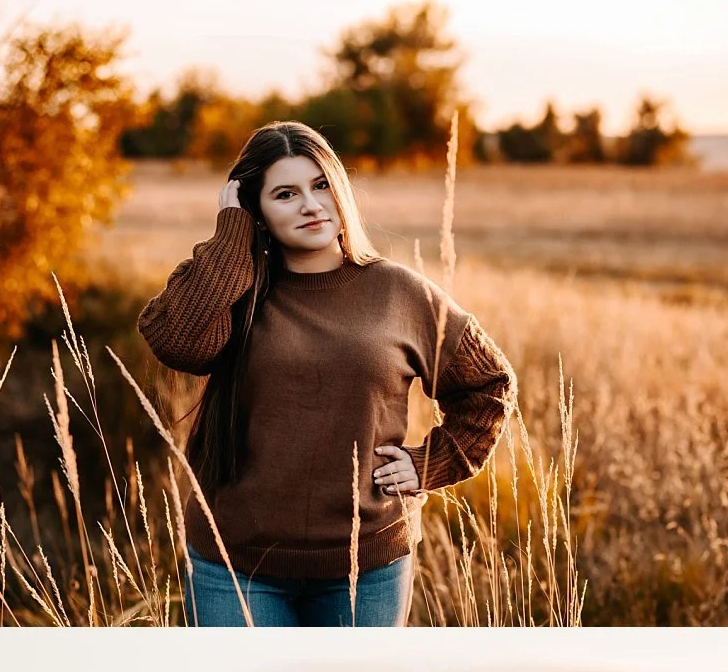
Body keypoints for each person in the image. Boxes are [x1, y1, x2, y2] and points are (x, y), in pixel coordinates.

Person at [138, 121, 515, 626]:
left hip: (366, 564)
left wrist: (434, 461)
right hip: (234, 564)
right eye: (285, 194)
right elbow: (177, 342)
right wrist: (231, 234)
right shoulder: (232, 292)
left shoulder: (400, 292)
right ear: (256, 209)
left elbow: (489, 384)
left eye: (321, 186)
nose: (311, 205)